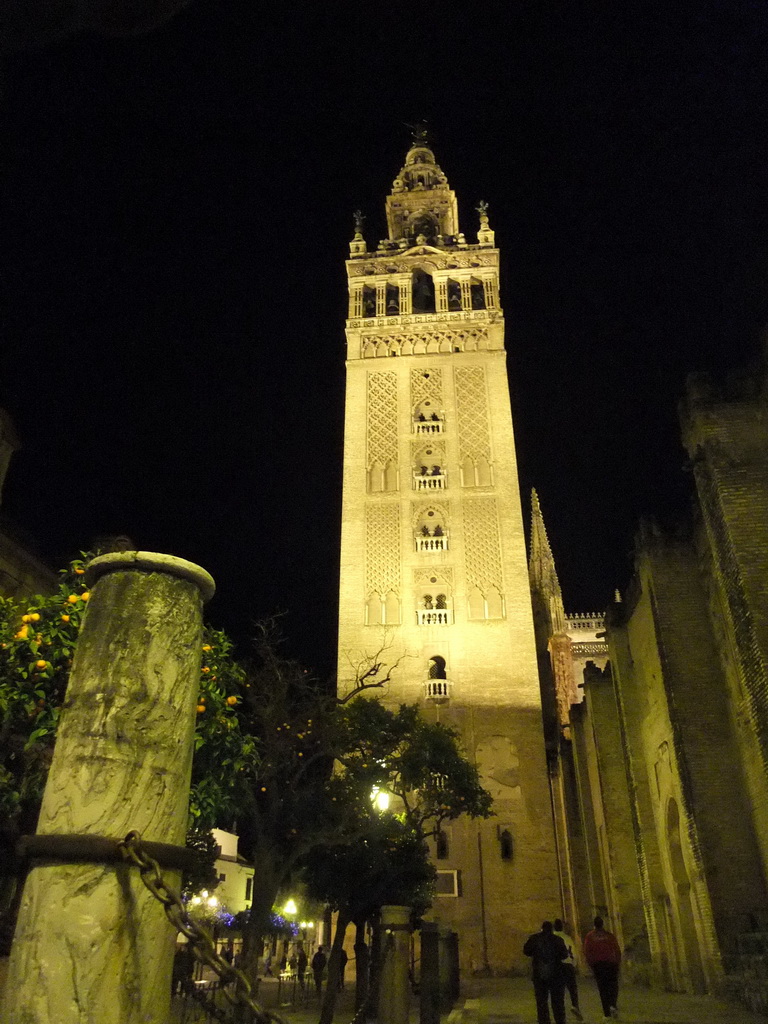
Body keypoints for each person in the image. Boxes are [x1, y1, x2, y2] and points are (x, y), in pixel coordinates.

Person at [523, 921, 568, 1024]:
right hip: (556, 974)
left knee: (542, 1002)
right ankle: (560, 1020)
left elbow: (526, 951)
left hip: (539, 974)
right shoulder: (558, 940)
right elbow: (564, 955)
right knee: (558, 1002)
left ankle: (544, 1021)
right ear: (552, 929)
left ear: (542, 928)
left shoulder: (534, 939)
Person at [583, 916, 622, 1020]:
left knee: (603, 988)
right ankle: (613, 1005)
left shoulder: (590, 936)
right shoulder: (609, 935)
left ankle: (607, 1014)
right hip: (611, 963)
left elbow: (587, 951)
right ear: (602, 924)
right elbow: (617, 949)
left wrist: (591, 964)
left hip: (599, 965)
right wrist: (617, 962)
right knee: (613, 986)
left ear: (594, 925)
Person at [553, 918, 582, 1021]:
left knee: (557, 990)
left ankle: (560, 1011)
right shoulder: (568, 938)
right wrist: (573, 964)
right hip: (568, 965)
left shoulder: (552, 938)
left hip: (557, 966)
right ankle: (575, 1005)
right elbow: (573, 952)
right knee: (572, 988)